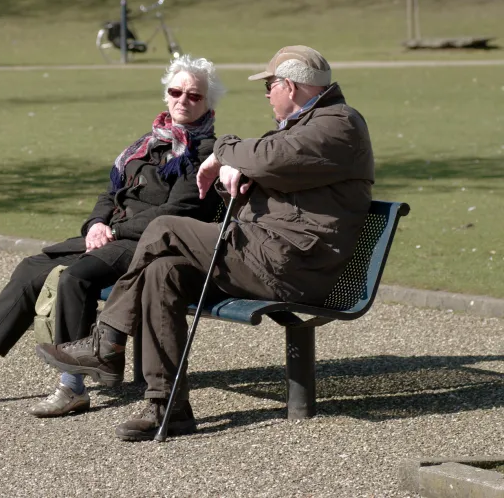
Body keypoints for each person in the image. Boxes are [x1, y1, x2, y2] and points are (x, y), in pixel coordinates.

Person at [36, 45, 375, 441]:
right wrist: (244, 175)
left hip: (291, 264)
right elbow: (279, 168)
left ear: (290, 86)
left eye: (269, 85)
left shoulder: (339, 123)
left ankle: (107, 341)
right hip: (266, 253)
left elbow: (266, 157)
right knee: (163, 272)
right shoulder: (307, 125)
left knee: (166, 227)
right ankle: (168, 406)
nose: (266, 94)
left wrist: (221, 152)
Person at [0, 55, 226, 418]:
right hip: (111, 236)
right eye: (176, 91)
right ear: (166, 95)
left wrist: (114, 230)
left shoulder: (204, 152)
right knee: (33, 266)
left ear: (207, 103)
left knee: (75, 278)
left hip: (148, 244)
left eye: (194, 96)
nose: (183, 100)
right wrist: (95, 224)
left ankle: (71, 387)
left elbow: (178, 212)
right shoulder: (148, 142)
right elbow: (110, 194)